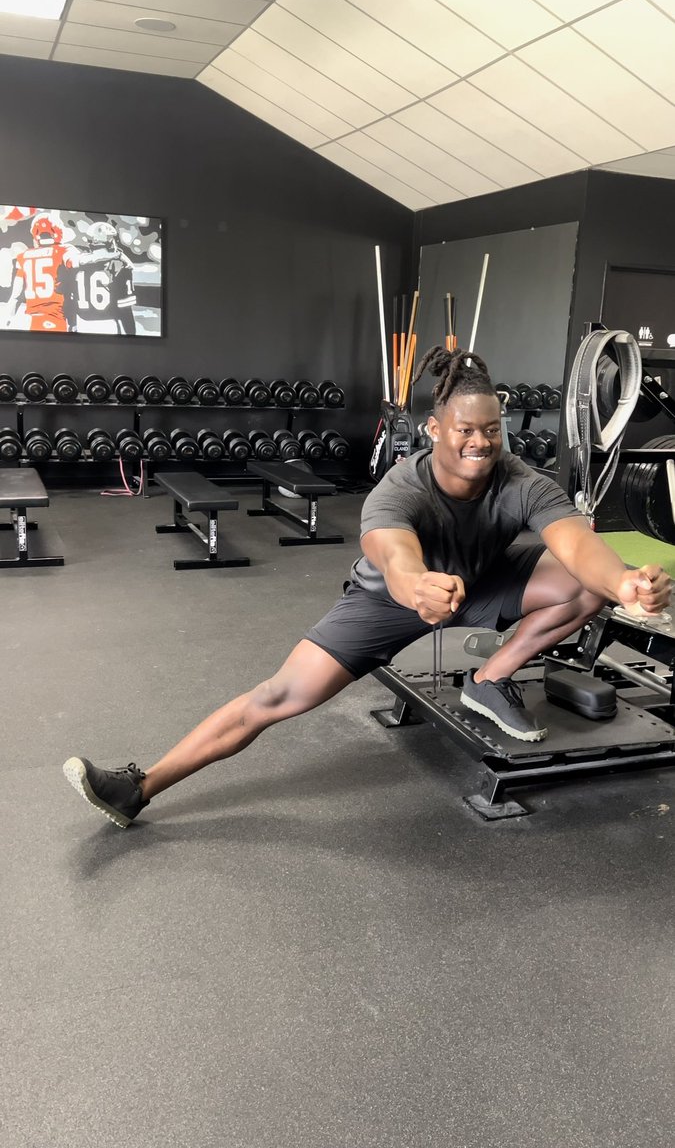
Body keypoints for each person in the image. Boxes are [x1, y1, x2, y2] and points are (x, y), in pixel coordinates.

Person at [63, 349, 672, 829]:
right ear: (434, 428)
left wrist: (624, 582)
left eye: (492, 430)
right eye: (465, 430)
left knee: (586, 587)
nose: (480, 443)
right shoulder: (398, 490)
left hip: (486, 583)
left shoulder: (521, 480)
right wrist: (415, 590)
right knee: (276, 697)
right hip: (388, 601)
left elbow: (573, 544)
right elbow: (393, 555)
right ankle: (139, 787)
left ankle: (489, 680)